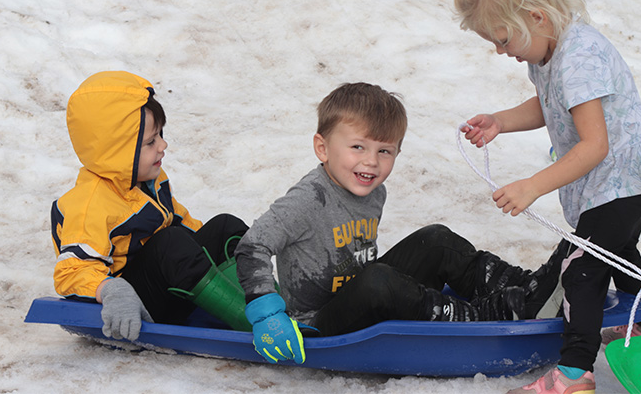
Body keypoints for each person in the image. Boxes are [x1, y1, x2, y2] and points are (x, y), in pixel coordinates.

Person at [454, 0, 641, 394]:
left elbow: (595, 144)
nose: (500, 51)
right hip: (624, 172)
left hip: (623, 177)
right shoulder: (550, 51)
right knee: (618, 251)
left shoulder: (578, 58)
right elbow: (549, 104)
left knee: (582, 269)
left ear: (535, 17)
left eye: (503, 39)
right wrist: (501, 121)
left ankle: (574, 374)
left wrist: (533, 186)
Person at [235, 82, 567, 365]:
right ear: (322, 148)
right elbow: (253, 245)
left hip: (364, 296)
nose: (371, 161)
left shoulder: (372, 191)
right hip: (320, 324)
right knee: (379, 280)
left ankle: (526, 290)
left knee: (436, 239)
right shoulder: (309, 199)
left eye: (385, 151)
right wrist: (266, 313)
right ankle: (485, 315)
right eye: (357, 147)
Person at [51, 71, 249, 342]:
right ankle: (252, 323)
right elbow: (72, 271)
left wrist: (208, 255)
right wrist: (111, 290)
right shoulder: (90, 205)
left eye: (160, 136)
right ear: (116, 151)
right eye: (150, 142)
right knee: (170, 242)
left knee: (227, 227)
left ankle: (271, 305)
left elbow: (182, 223)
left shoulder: (149, 180)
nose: (163, 145)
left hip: (172, 285)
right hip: (135, 306)